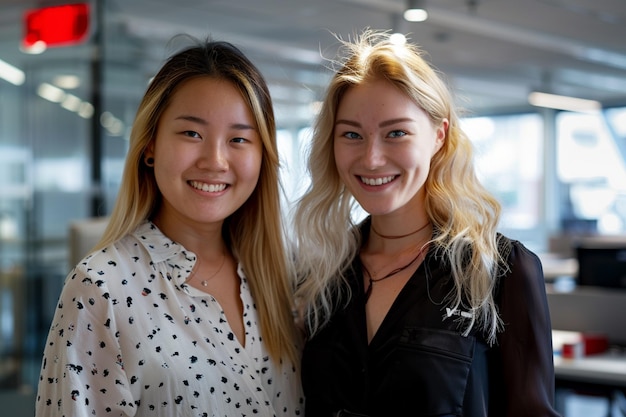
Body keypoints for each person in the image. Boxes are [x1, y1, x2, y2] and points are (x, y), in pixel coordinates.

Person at [293, 30, 561, 417]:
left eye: (396, 133)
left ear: (439, 135)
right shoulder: (321, 273)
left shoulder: (499, 270)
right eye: (352, 134)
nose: (371, 159)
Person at [35, 37, 303, 417]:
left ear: (263, 156)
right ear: (150, 146)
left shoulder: (284, 275)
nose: (215, 161)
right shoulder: (101, 289)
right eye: (192, 133)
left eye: (239, 139)